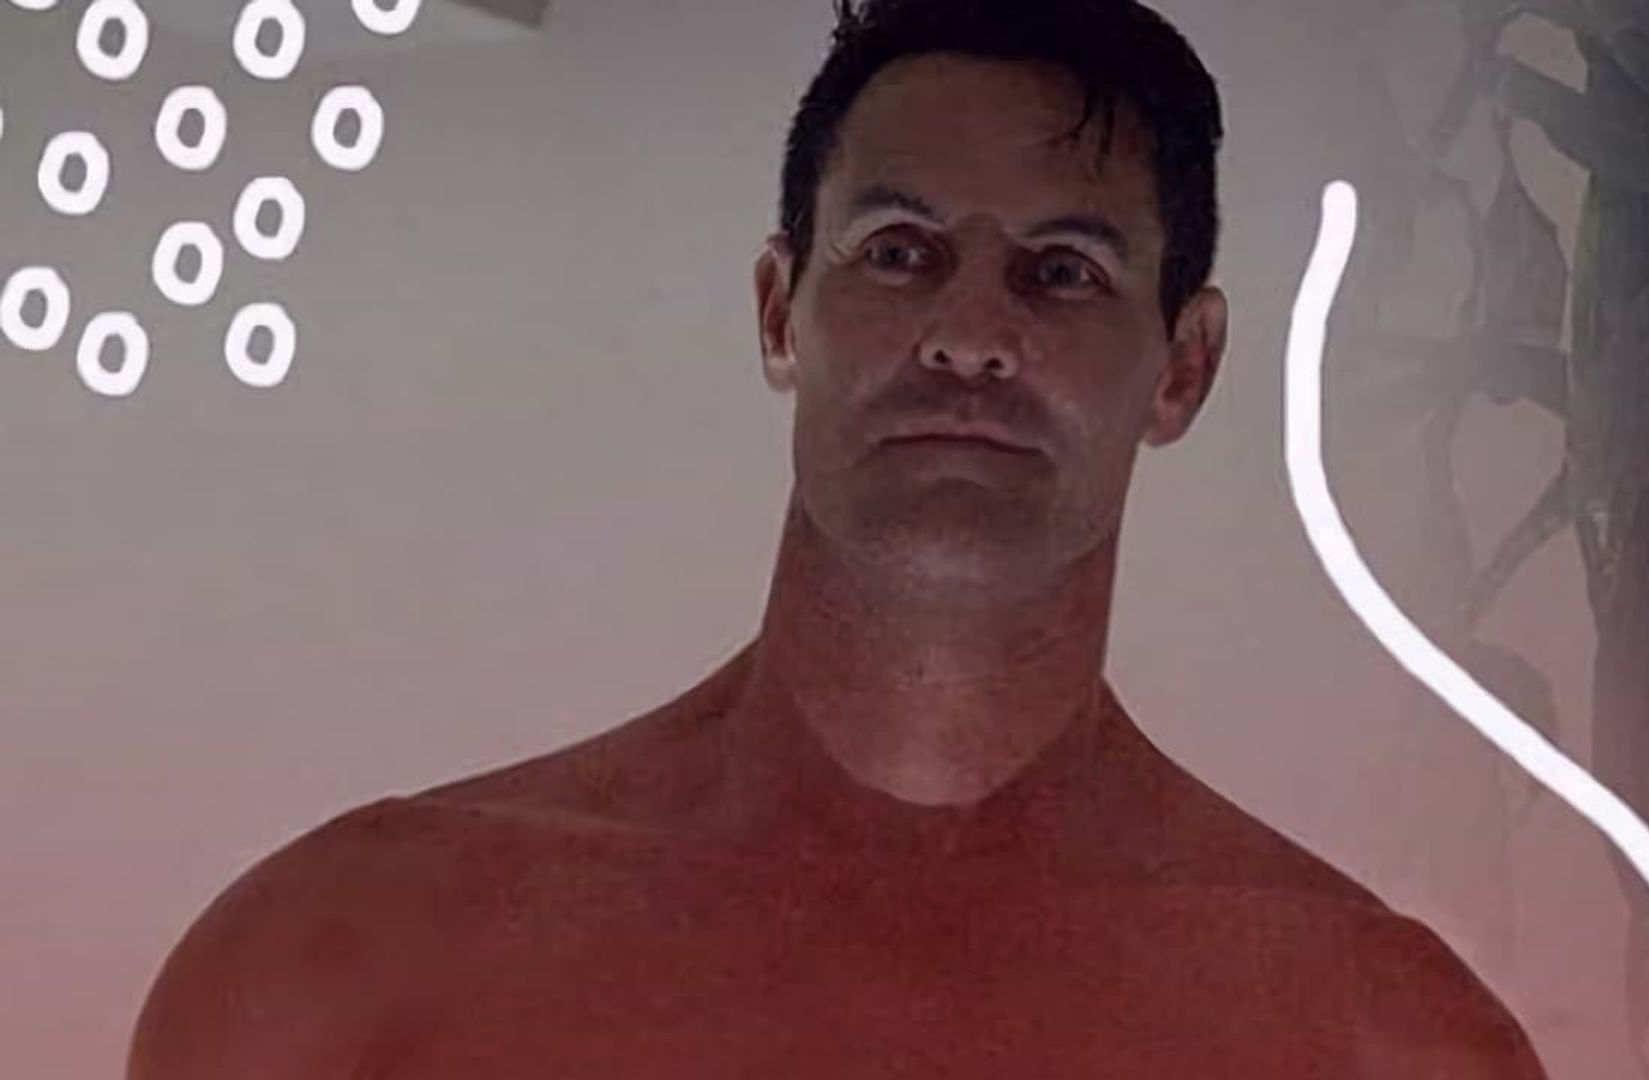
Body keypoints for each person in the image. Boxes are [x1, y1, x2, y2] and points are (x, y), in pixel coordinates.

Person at [127, 1, 1548, 1075]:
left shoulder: (1387, 1043)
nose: (970, 335)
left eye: (1063, 271)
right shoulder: (342, 969)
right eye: (900, 252)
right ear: (778, 312)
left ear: (1185, 365)